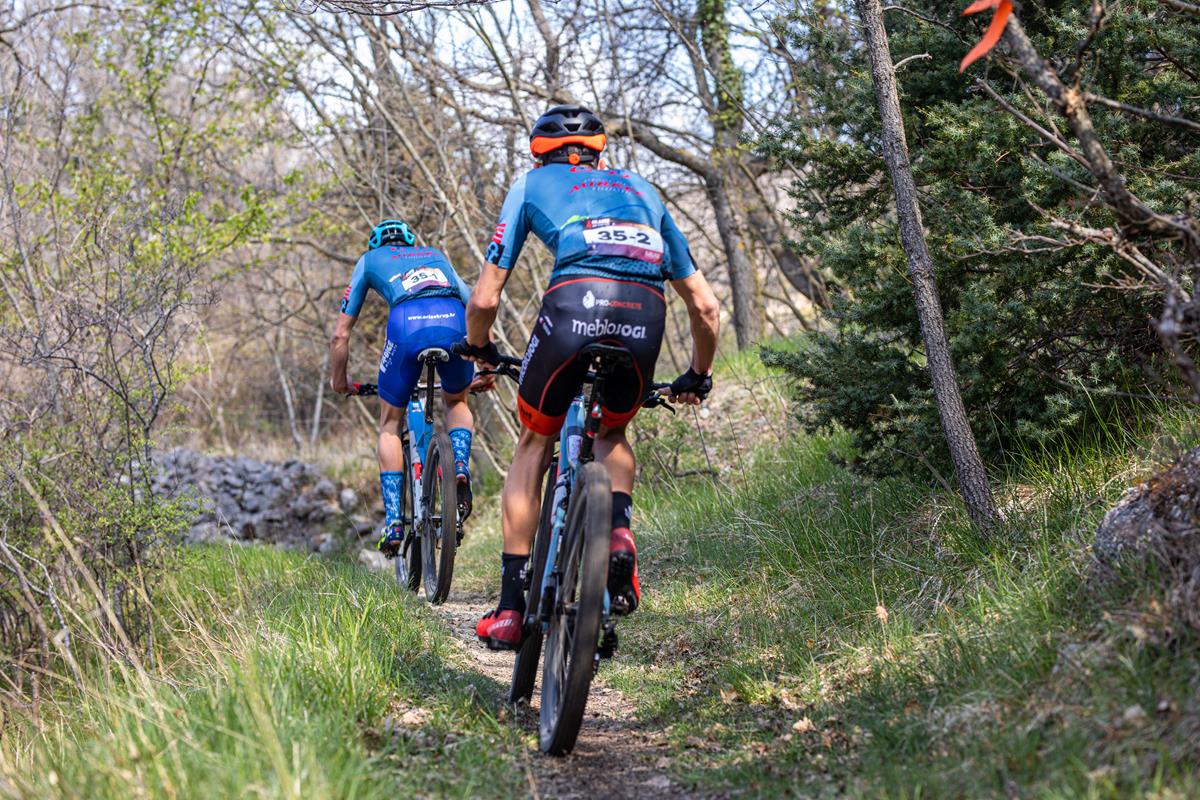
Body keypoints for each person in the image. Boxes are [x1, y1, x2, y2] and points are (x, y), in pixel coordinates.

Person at [456, 105, 721, 650]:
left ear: (540, 154)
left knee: (535, 440)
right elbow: (705, 306)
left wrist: (479, 347)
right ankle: (618, 533)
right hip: (644, 312)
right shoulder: (644, 191)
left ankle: (510, 608)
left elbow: (483, 299)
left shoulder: (531, 185)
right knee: (612, 433)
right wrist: (698, 375)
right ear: (601, 154)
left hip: (571, 307)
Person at [329, 219, 479, 556]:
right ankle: (459, 465)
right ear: (411, 242)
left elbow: (340, 335)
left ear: (376, 244)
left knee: (390, 423)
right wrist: (485, 364)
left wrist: (339, 380)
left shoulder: (369, 261)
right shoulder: (435, 254)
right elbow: (476, 303)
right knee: (457, 401)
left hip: (406, 325)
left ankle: (395, 522)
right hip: (454, 320)